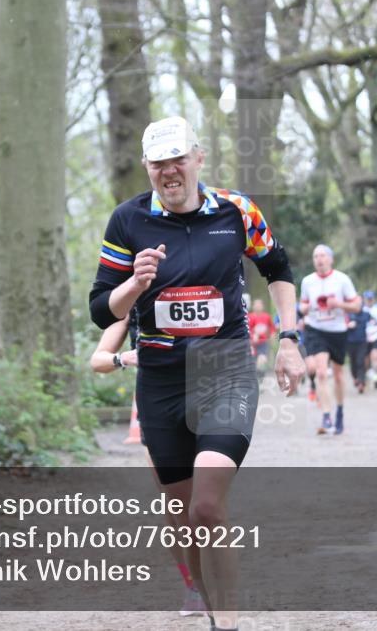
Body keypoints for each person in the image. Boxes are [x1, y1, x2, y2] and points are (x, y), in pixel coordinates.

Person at [89, 116, 305, 631]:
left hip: (224, 369)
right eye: (158, 163)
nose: (169, 171)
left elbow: (277, 268)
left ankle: (227, 625)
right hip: (160, 381)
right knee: (186, 522)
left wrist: (289, 339)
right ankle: (211, 612)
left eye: (178, 159)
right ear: (147, 167)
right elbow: (103, 309)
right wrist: (134, 285)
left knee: (208, 506)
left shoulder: (236, 209)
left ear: (198, 158)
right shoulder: (128, 221)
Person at [89, 316, 206, 618]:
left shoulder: (197, 285)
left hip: (204, 400)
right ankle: (193, 585)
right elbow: (97, 360)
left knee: (205, 503)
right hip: (156, 409)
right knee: (175, 505)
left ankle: (213, 576)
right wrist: (123, 358)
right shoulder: (132, 305)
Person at [299, 244, 361, 435]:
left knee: (339, 375)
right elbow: (302, 305)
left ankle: (340, 411)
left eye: (323, 255)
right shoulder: (308, 281)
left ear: (331, 259)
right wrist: (305, 309)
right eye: (316, 256)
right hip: (316, 330)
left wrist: (339, 304)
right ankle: (326, 416)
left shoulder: (342, 279)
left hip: (338, 331)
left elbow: (357, 305)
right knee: (322, 373)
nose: (319, 259)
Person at [247, 298, 275, 376]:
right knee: (253, 363)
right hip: (252, 344)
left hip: (263, 343)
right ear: (253, 306)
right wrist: (253, 336)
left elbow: (272, 329)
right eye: (256, 304)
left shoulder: (266, 317)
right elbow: (246, 331)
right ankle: (256, 376)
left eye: (260, 305)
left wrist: (272, 337)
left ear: (262, 306)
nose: (258, 306)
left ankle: (260, 377)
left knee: (262, 359)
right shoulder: (249, 317)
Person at [346, 305, 370, 394]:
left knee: (360, 362)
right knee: (353, 362)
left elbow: (374, 323)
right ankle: (355, 377)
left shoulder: (366, 315)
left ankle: (361, 382)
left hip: (362, 342)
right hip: (350, 342)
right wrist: (348, 325)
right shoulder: (348, 314)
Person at [364, 290, 377, 389]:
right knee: (366, 360)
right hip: (364, 337)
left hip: (376, 336)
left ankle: (376, 376)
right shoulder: (362, 309)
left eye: (371, 298)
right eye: (368, 299)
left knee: (375, 356)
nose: (370, 300)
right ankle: (368, 375)